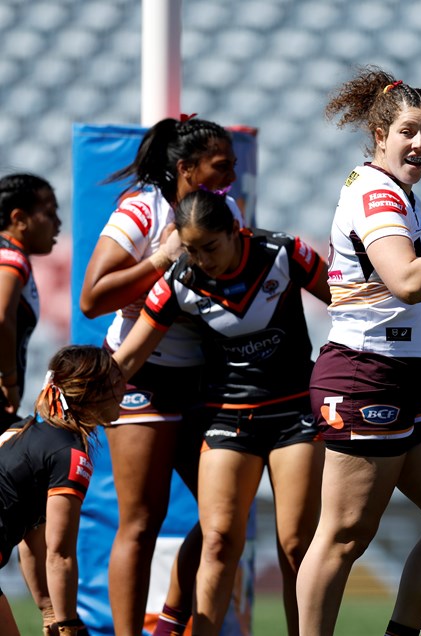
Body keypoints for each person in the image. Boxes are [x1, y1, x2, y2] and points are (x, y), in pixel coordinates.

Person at [295, 65, 421, 636]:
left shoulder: (403, 196)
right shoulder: (377, 193)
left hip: (405, 377)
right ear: (379, 135)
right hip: (363, 375)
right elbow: (407, 280)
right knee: (344, 534)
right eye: (408, 131)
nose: (420, 144)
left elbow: (418, 297)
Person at [112, 188, 329, 635]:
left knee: (296, 548)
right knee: (219, 542)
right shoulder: (180, 279)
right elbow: (130, 358)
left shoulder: (285, 252)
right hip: (228, 417)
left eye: (209, 247)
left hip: (295, 415)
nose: (201, 260)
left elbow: (347, 305)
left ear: (235, 230)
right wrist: (76, 389)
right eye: (191, 250)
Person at [79, 116, 242, 635]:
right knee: (140, 523)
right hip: (141, 377)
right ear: (186, 168)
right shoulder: (142, 209)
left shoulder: (228, 211)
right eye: (222, 166)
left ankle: (170, 621)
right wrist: (163, 258)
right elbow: (92, 298)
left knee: (225, 517)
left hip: (204, 380)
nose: (232, 178)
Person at [0, 345, 125, 636]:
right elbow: (60, 554)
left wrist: (49, 610)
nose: (124, 389)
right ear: (91, 392)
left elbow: (30, 536)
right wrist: (69, 623)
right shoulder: (70, 455)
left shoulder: (26, 431)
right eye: (116, 382)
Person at [0, 173, 62, 433]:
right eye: (49, 214)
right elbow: (2, 318)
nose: (58, 224)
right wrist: (9, 382)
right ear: (19, 219)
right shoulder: (12, 259)